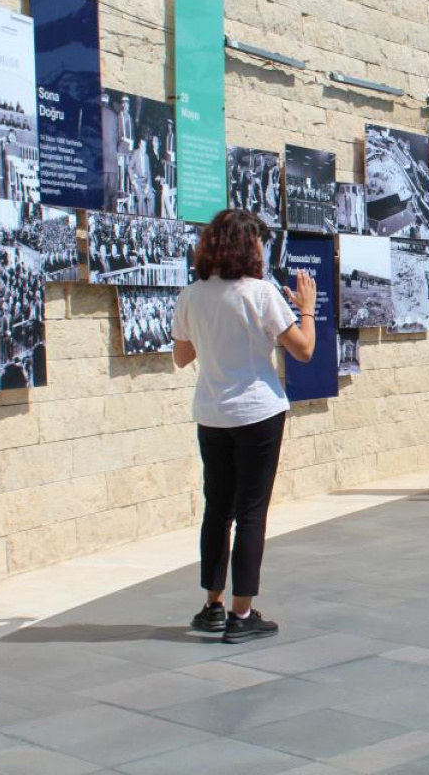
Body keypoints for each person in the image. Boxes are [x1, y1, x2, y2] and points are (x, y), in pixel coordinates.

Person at [171, 208, 317, 644]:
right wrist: (306, 310)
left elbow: (182, 357)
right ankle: (243, 612)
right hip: (257, 411)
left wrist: (215, 336)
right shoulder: (260, 293)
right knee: (251, 512)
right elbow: (304, 350)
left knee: (218, 508)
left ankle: (212, 605)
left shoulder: (191, 295)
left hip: (212, 413)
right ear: (246, 245)